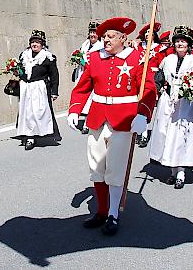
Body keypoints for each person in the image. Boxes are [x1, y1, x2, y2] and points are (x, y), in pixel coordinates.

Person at [67, 17, 157, 235]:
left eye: (110, 36)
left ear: (122, 38)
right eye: (104, 36)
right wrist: (74, 109)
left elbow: (148, 89)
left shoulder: (136, 59)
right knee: (97, 167)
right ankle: (101, 210)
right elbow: (82, 87)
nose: (105, 40)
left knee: (115, 169)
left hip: (123, 120)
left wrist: (143, 114)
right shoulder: (94, 58)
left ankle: (113, 214)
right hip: (98, 118)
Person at [149, 26, 193, 189]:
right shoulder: (167, 60)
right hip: (168, 101)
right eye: (178, 41)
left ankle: (181, 172)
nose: (180, 44)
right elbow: (158, 77)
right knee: (167, 134)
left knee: (182, 136)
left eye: (183, 41)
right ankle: (172, 171)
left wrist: (191, 89)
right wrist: (160, 88)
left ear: (189, 45)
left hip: (185, 105)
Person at [16, 30, 60, 150]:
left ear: (42, 44)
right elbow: (20, 70)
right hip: (26, 88)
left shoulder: (48, 58)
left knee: (39, 112)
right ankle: (30, 137)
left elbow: (54, 75)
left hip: (39, 88)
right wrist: (16, 72)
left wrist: (54, 91)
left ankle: (42, 132)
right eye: (32, 42)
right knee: (27, 113)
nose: (34, 44)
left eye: (37, 42)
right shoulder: (24, 55)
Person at [133, 22, 163, 148]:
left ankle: (148, 133)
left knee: (149, 107)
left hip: (153, 80)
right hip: (139, 79)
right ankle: (140, 132)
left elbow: (163, 66)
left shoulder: (160, 49)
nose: (147, 35)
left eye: (149, 33)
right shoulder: (139, 48)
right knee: (138, 107)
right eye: (145, 33)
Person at [72, 21, 104, 134]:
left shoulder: (101, 46)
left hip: (93, 76)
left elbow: (98, 63)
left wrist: (85, 63)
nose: (92, 35)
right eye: (91, 32)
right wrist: (76, 59)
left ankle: (87, 123)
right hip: (82, 74)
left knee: (91, 100)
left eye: (95, 32)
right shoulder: (85, 44)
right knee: (83, 99)